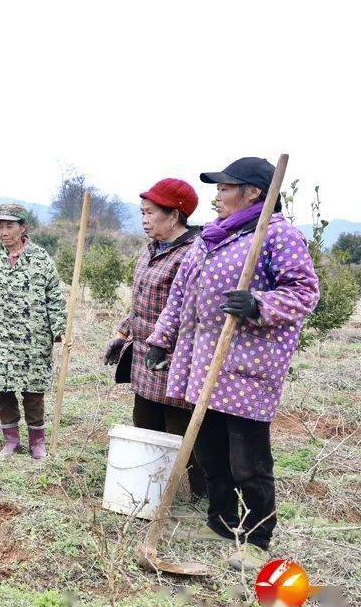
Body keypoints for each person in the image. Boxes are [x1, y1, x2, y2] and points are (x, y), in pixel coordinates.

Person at [145, 157, 319, 570]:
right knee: (211, 451)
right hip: (203, 363)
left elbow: (305, 293)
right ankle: (220, 522)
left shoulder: (278, 236)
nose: (217, 195)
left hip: (246, 368)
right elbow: (180, 297)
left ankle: (257, 536)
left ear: (253, 192)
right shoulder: (212, 238)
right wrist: (160, 340)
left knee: (248, 459)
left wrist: (259, 303)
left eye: (225, 188)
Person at [105, 178, 206, 497]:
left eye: (150, 212)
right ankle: (151, 490)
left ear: (174, 215)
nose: (144, 219)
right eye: (142, 212)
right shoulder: (151, 249)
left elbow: (187, 310)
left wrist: (167, 347)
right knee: (145, 424)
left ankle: (204, 495)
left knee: (183, 433)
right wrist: (122, 334)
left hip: (173, 358)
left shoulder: (193, 254)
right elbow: (141, 301)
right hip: (143, 355)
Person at [0, 204, 65, 459]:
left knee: (33, 390)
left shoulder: (41, 259)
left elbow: (54, 296)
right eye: (0, 226)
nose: (4, 231)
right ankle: (10, 441)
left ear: (23, 227)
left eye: (10, 226)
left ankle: (37, 443)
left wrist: (60, 329)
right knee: (2, 389)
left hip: (33, 338)